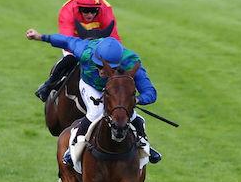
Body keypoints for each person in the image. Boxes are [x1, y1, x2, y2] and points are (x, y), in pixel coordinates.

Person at [25, 31, 162, 170]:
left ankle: (145, 145)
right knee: (96, 112)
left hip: (117, 91)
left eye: (108, 68)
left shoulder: (131, 62)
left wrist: (136, 100)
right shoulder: (85, 49)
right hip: (90, 85)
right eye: (99, 65)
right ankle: (73, 149)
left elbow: (150, 92)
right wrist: (40, 37)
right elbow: (66, 41)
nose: (102, 71)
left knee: (129, 116)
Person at [33, 0, 121, 102]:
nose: (90, 14)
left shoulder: (105, 9)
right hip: (74, 41)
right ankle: (48, 85)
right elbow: (67, 40)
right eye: (85, 10)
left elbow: (113, 36)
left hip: (99, 43)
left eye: (94, 11)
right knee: (70, 59)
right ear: (78, 7)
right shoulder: (68, 10)